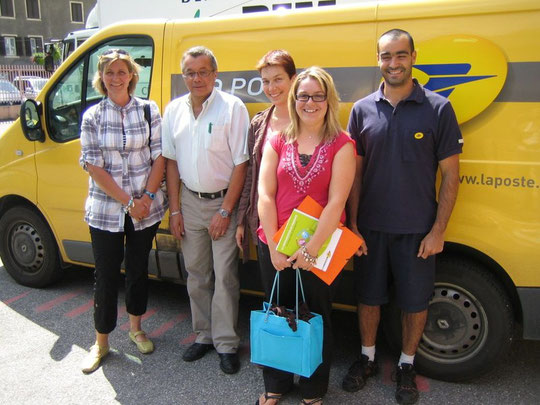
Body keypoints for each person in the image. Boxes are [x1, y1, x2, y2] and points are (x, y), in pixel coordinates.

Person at [342, 29, 463, 405]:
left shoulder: (438, 108)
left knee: (415, 303)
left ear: (413, 57)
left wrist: (438, 231)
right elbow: (354, 175)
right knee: (369, 298)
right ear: (377, 59)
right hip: (371, 229)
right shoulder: (362, 109)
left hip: (417, 231)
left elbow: (452, 176)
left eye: (400, 55)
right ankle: (367, 358)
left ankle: (407, 365)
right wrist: (354, 226)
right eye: (385, 56)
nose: (393, 63)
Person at [256, 67, 356, 405]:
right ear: (293, 99)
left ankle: (313, 390)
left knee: (316, 316)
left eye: (317, 95)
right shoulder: (278, 139)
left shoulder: (342, 144)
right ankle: (276, 384)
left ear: (328, 100)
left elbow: (337, 202)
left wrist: (311, 250)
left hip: (322, 247)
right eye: (303, 95)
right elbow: (265, 195)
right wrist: (273, 246)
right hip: (275, 243)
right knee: (277, 311)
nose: (309, 102)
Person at [161, 46, 249, 374]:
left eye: (203, 72)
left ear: (215, 74)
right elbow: (170, 163)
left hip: (222, 203)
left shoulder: (232, 107)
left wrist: (226, 211)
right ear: (183, 76)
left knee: (225, 275)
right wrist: (175, 210)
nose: (196, 78)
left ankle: (226, 343)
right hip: (188, 202)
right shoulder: (173, 110)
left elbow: (242, 162)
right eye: (190, 73)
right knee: (196, 274)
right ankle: (204, 335)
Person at [79, 49, 166, 374]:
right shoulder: (92, 116)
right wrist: (129, 202)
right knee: (105, 275)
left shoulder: (147, 109)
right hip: (106, 211)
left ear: (132, 74)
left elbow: (160, 155)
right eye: (109, 72)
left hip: (147, 207)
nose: (116, 77)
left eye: (121, 71)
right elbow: (93, 166)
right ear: (101, 77)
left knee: (138, 269)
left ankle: (136, 328)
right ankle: (101, 342)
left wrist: (146, 197)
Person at [236, 49, 296, 283]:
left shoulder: (310, 119)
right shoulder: (260, 123)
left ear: (293, 79)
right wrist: (242, 219)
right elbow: (251, 174)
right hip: (268, 227)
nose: (272, 88)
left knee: (309, 304)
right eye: (266, 82)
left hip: (304, 226)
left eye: (278, 79)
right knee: (277, 301)